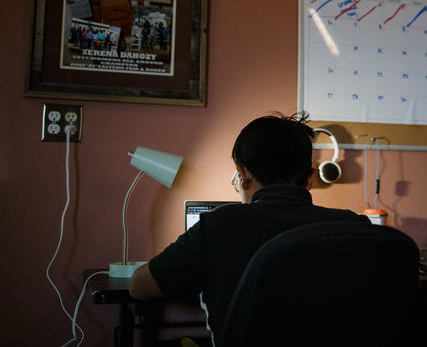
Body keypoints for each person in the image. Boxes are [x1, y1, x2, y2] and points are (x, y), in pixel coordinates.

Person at [130, 112, 369, 344]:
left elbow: (139, 287)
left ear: (243, 176)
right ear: (309, 178)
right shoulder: (354, 226)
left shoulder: (219, 224)